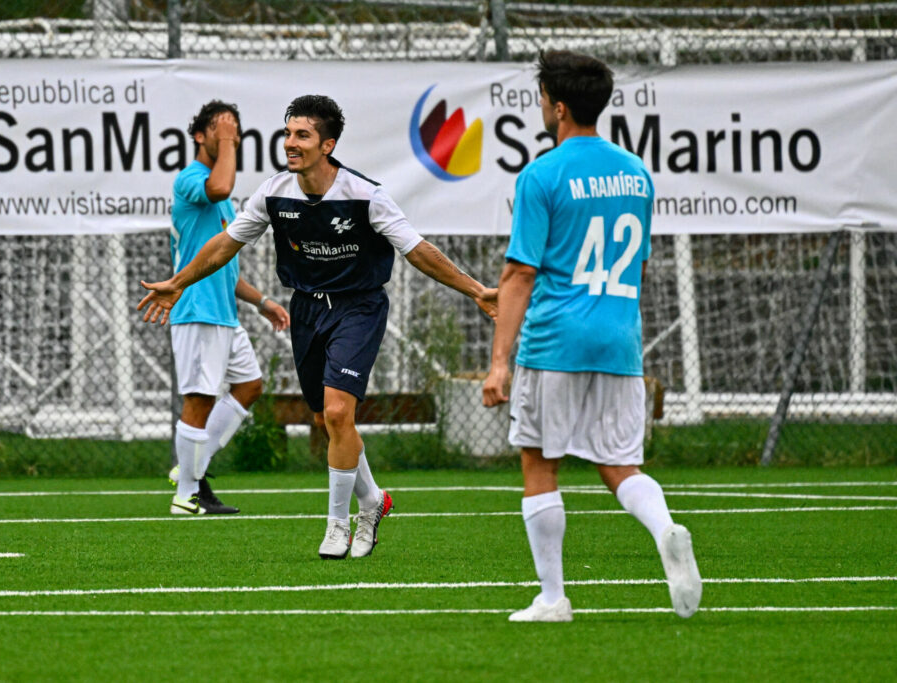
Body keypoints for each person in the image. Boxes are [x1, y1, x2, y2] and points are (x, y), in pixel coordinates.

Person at [140, 94, 497, 558]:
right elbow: (225, 244)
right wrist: (179, 282)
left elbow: (417, 249)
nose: (290, 142)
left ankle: (337, 525)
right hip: (307, 310)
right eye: (287, 133)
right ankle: (372, 500)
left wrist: (475, 289)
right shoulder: (273, 193)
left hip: (359, 308)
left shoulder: (365, 195)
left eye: (302, 135)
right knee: (328, 418)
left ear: (327, 145)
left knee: (335, 412)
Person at [482, 51, 701, 622]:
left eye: (541, 99)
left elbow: (520, 274)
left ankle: (553, 598)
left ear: (557, 106)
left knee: (539, 463)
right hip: (620, 339)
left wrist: (499, 363)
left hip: (555, 340)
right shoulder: (636, 173)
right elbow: (642, 266)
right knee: (620, 465)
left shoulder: (542, 174)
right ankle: (665, 527)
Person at [166, 99, 290, 516]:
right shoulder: (192, 179)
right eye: (221, 130)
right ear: (200, 136)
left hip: (224, 313)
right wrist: (226, 141)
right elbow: (219, 185)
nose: (231, 136)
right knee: (199, 398)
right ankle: (186, 494)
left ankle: (189, 466)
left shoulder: (223, 202)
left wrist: (263, 301)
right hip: (198, 311)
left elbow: (223, 267)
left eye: (235, 131)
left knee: (250, 386)